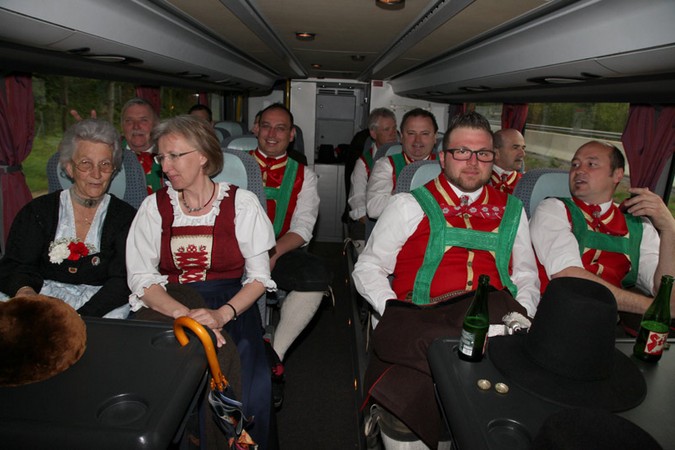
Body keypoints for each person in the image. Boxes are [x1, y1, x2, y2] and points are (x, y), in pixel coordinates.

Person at [352, 111, 540, 449]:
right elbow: (368, 267)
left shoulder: (513, 210)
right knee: (406, 404)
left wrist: (518, 319)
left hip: (495, 323)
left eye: (483, 153)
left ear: (493, 158)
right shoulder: (408, 204)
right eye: (462, 152)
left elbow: (525, 273)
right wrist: (395, 311)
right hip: (422, 321)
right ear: (443, 158)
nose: (473, 162)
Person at [125, 115, 277, 449]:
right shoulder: (154, 207)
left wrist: (221, 315)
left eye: (175, 156)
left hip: (230, 305)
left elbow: (258, 278)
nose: (166, 166)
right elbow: (142, 278)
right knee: (152, 382)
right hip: (170, 304)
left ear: (203, 156)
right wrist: (185, 315)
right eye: (161, 157)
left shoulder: (242, 204)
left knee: (249, 382)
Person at [0, 119, 136, 318]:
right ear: (69, 168)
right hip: (42, 299)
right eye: (85, 164)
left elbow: (122, 281)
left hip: (100, 306)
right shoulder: (38, 212)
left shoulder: (126, 218)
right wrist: (26, 292)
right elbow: (16, 265)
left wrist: (79, 318)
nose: (97, 174)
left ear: (113, 170)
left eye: (105, 164)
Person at [530, 140, 675, 319]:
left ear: (617, 174)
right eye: (575, 164)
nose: (579, 170)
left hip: (607, 321)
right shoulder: (553, 209)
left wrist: (669, 230)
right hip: (555, 316)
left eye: (591, 164)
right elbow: (569, 277)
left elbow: (667, 293)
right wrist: (656, 308)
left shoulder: (640, 228)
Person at [250, 104, 331, 402]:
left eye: (280, 128)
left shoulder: (304, 175)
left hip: (278, 249)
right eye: (266, 126)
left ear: (292, 134)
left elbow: (303, 227)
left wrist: (272, 252)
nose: (272, 133)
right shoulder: (233, 166)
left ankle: (275, 354)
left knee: (317, 278)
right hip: (235, 252)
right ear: (255, 128)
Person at [366, 108, 438, 219]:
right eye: (411, 133)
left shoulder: (446, 166)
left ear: (435, 137)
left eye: (425, 134)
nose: (417, 140)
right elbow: (374, 209)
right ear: (402, 137)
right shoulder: (386, 165)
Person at [347, 108, 398, 223]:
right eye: (386, 129)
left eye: (394, 128)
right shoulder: (364, 163)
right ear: (373, 133)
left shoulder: (404, 156)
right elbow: (357, 200)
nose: (393, 134)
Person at [120, 98, 163, 194]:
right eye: (129, 121)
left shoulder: (169, 156)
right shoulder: (111, 156)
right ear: (122, 126)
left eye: (143, 120)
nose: (136, 126)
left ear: (156, 125)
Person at [490, 128, 526, 194]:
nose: (522, 154)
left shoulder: (527, 183)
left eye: (523, 148)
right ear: (496, 153)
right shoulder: (479, 180)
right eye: (515, 148)